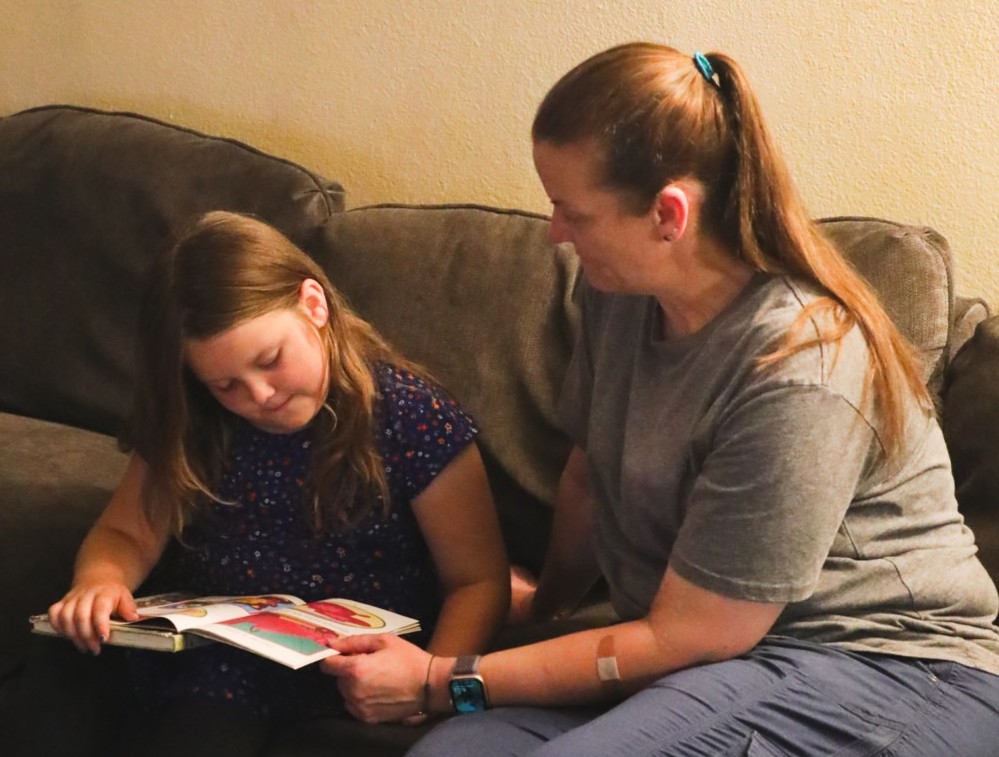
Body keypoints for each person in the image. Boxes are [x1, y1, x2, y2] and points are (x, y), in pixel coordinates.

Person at [322, 43, 999, 755]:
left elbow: (686, 635)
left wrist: (441, 680)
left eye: (571, 212)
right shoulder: (619, 299)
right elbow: (589, 472)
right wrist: (546, 603)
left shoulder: (801, 368)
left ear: (667, 214)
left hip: (887, 667)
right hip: (712, 662)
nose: (555, 232)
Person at [38, 210, 510, 753]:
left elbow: (477, 580)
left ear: (314, 305)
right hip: (224, 667)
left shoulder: (410, 415)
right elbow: (127, 533)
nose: (259, 396)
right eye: (227, 385)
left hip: (361, 667)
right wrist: (99, 579)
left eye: (271, 360)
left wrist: (430, 682)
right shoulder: (197, 420)